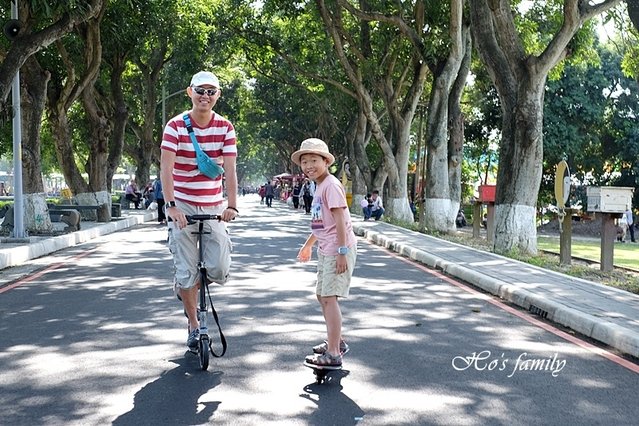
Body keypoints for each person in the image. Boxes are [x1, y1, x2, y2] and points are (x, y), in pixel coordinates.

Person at [160, 70, 238, 352]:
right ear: (189, 92)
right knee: (186, 272)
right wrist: (171, 207)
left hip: (213, 205)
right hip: (182, 204)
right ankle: (194, 325)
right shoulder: (175, 126)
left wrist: (231, 205)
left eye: (211, 91)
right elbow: (166, 169)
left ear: (217, 96)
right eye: (200, 90)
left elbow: (230, 168)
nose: (205, 96)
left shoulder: (225, 127)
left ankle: (188, 285)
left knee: (217, 267)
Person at [292, 138, 357, 368]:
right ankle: (337, 342)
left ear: (326, 161)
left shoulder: (331, 185)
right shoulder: (319, 185)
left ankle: (333, 353)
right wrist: (308, 244)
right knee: (322, 296)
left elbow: (340, 220)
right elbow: (322, 223)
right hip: (326, 248)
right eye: (305, 162)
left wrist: (342, 251)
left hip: (337, 249)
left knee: (329, 298)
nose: (309, 166)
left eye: (314, 160)